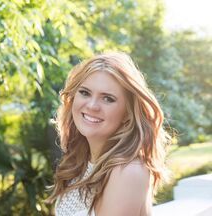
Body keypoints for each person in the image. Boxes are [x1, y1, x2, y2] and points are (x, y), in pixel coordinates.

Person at [46, 51, 170, 216]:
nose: (92, 106)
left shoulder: (128, 171)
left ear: (128, 113)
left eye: (108, 99)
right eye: (85, 92)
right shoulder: (82, 162)